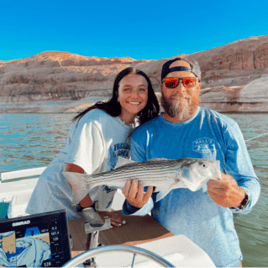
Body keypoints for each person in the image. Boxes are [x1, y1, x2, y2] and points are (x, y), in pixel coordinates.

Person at [122, 57, 260, 267]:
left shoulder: (224, 127)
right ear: (162, 88)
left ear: (198, 86)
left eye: (188, 82)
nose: (180, 89)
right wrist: (135, 204)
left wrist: (241, 197)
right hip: (168, 255)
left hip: (222, 258)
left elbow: (249, 180)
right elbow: (145, 199)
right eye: (171, 83)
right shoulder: (143, 136)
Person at [26, 67, 160, 226]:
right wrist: (90, 212)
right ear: (117, 94)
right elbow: (73, 171)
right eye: (127, 89)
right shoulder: (96, 120)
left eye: (141, 90)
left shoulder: (137, 129)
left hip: (86, 202)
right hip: (60, 199)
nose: (135, 95)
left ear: (148, 94)